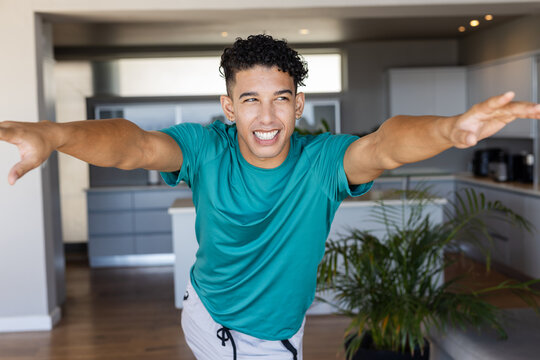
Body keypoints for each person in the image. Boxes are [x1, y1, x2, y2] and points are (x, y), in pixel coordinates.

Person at [1, 34, 539, 359]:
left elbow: (384, 144)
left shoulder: (323, 161)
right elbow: (133, 145)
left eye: (279, 99)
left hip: (282, 328)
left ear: (298, 104)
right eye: (250, 100)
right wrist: (56, 134)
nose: (265, 117)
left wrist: (450, 129)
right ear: (229, 106)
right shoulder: (206, 150)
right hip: (221, 322)